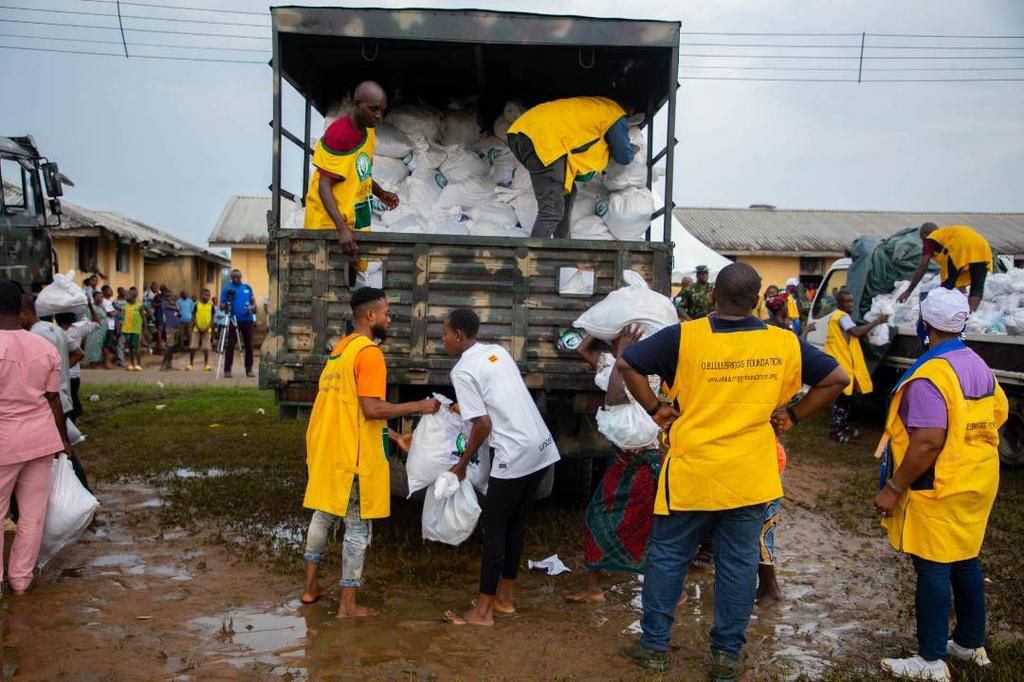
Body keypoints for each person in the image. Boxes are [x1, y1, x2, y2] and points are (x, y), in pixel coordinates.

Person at [616, 262, 849, 678]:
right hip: (749, 475)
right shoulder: (784, 342)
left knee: (668, 557)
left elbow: (628, 365)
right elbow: (837, 378)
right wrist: (794, 416)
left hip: (691, 472)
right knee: (739, 565)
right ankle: (725, 657)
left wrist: (657, 410)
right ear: (758, 300)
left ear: (712, 297)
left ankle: (653, 648)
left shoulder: (683, 338)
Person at [875, 287, 1007, 681]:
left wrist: (894, 488)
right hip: (978, 477)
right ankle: (968, 644)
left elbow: (928, 441)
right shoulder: (977, 364)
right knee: (965, 558)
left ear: (925, 325)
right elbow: (997, 412)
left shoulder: (931, 374)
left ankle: (931, 660)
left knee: (932, 565)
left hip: (940, 482)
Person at [300, 287, 439, 616]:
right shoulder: (370, 354)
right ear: (370, 316)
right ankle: (348, 605)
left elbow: (348, 408)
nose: (390, 319)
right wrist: (420, 405)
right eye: (386, 313)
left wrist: (393, 436)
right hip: (354, 459)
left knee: (323, 514)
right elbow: (371, 409)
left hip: (331, 449)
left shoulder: (342, 349)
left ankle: (309, 588)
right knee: (358, 527)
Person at [442, 309, 561, 626]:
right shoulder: (496, 351)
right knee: (515, 525)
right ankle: (506, 599)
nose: (443, 340)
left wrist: (462, 464)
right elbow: (498, 397)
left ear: (459, 334)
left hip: (514, 454)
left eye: (444, 333)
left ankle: (482, 612)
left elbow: (483, 424)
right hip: (541, 446)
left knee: (493, 529)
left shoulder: (462, 370)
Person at [565, 326, 663, 604]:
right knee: (599, 517)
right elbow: (583, 349)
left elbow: (616, 397)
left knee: (646, 525)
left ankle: (672, 590)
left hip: (642, 459)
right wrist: (601, 327)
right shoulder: (610, 361)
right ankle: (594, 587)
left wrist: (624, 352)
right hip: (622, 456)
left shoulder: (647, 369)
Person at [0, 281, 71, 595]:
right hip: (42, 440)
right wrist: (63, 441)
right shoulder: (44, 347)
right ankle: (21, 580)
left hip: (4, 442)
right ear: (22, 308)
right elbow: (53, 398)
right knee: (32, 515)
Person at [507, 95, 636, 238]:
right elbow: (624, 156)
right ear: (627, 111)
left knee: (568, 192)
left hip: (525, 133)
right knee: (551, 210)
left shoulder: (599, 108)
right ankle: (532, 258)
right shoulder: (615, 114)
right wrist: (633, 149)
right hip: (543, 138)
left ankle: (562, 244)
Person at [304, 81, 399, 260]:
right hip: (329, 228)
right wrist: (342, 229)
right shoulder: (338, 135)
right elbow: (324, 186)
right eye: (373, 109)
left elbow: (359, 174)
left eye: (382, 110)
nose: (379, 116)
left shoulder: (369, 132)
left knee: (357, 284)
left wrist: (381, 193)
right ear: (357, 104)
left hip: (353, 223)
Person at [824, 290, 888, 444]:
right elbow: (856, 332)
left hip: (838, 363)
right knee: (842, 400)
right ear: (840, 303)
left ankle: (842, 427)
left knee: (845, 401)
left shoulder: (835, 317)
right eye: (847, 301)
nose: (850, 304)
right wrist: (877, 322)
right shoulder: (843, 317)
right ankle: (836, 432)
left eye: (852, 301)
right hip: (843, 365)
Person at [898, 223, 993, 313]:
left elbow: (923, 266)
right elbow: (959, 279)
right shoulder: (946, 235)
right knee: (977, 288)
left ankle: (943, 317)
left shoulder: (930, 238)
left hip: (961, 245)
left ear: (925, 234)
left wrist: (908, 291)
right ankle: (968, 316)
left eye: (922, 239)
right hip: (983, 246)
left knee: (946, 287)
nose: (923, 243)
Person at [66, 298, 101, 420]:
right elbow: (97, 323)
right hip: (73, 374)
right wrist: (91, 307)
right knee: (73, 404)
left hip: (58, 375)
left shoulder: (52, 331)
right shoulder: (77, 330)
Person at [220, 270, 257, 378]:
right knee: (230, 345)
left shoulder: (247, 288)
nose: (236, 279)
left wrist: (252, 307)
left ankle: (249, 369)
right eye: (234, 277)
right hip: (233, 320)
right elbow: (221, 305)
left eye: (238, 277)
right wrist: (227, 302)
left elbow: (254, 304)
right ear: (231, 278)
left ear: (241, 277)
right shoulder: (227, 288)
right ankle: (227, 370)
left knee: (249, 345)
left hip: (247, 320)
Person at [189, 288, 215, 372]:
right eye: (206, 295)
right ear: (201, 295)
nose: (208, 297)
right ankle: (191, 364)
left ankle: (206, 364)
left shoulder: (211, 306)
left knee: (206, 347)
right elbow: (193, 316)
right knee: (193, 347)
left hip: (207, 330)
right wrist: (197, 326)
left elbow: (212, 317)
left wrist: (208, 327)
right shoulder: (197, 305)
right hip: (197, 329)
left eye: (209, 295)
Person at [121, 289, 144, 371]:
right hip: (127, 329)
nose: (126, 297)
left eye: (128, 295)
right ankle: (131, 363)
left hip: (135, 330)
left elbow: (143, 317)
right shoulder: (126, 306)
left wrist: (144, 329)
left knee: (136, 347)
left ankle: (139, 364)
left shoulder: (139, 306)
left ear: (134, 297)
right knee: (129, 347)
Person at [159, 294, 181, 372]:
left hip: (176, 328)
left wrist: (177, 309)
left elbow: (179, 315)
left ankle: (169, 364)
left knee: (172, 347)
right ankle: (163, 365)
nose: (172, 298)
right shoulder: (164, 303)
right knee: (169, 346)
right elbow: (174, 308)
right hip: (170, 328)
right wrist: (176, 307)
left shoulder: (174, 305)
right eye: (169, 297)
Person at [99, 285, 117, 369]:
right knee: (106, 345)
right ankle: (106, 363)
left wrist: (114, 312)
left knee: (108, 345)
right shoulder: (104, 301)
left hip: (111, 325)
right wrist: (115, 312)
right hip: (107, 325)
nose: (111, 292)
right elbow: (110, 313)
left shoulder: (109, 301)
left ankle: (107, 361)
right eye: (109, 290)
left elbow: (113, 312)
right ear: (104, 292)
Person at [177, 291, 195, 358]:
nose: (186, 295)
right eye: (184, 294)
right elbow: (178, 310)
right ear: (181, 295)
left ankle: (190, 347)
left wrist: (192, 319)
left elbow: (192, 310)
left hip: (189, 320)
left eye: (187, 294)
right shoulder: (178, 301)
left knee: (189, 334)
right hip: (181, 320)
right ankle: (182, 347)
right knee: (181, 334)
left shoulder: (190, 301)